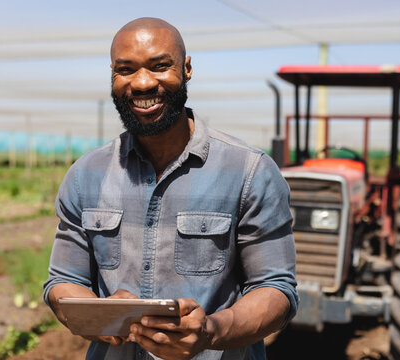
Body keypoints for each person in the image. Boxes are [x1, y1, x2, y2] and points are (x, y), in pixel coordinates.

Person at [43, 17, 298, 360]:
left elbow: (276, 289)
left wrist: (210, 331)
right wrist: (98, 314)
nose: (144, 83)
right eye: (126, 69)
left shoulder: (249, 172)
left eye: (160, 66)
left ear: (187, 68)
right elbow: (61, 283)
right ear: (113, 75)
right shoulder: (85, 175)